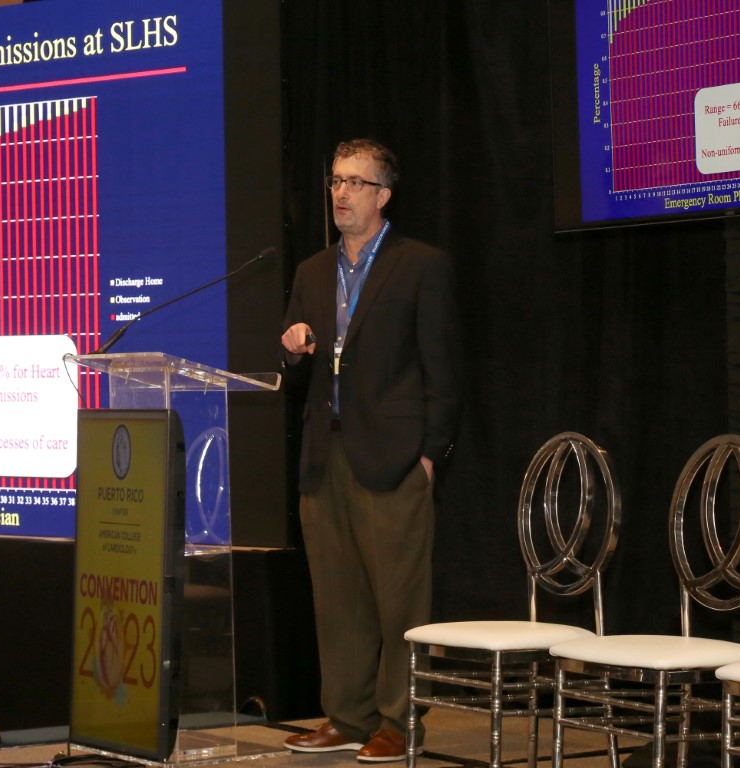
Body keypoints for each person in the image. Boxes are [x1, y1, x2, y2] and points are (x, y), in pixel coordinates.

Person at [280, 138, 462, 763]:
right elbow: (296, 369)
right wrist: (291, 349)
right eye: (335, 181)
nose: (340, 193)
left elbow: (445, 370)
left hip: (394, 457)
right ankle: (347, 716)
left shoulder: (421, 265)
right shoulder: (311, 272)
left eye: (355, 182)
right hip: (324, 455)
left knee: (398, 602)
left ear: (383, 195)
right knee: (339, 601)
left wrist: (430, 455)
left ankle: (399, 721)